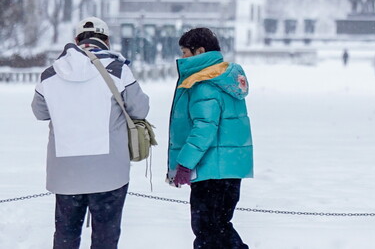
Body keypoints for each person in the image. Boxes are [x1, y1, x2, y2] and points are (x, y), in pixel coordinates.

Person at [32, 17, 150, 249]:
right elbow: (140, 109)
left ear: (76, 41)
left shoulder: (50, 73)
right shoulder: (118, 70)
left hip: (65, 171)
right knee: (105, 238)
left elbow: (39, 112)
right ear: (106, 40)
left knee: (66, 234)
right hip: (109, 171)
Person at [169, 27, 253, 249]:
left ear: (200, 52)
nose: (182, 58)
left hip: (210, 171)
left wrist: (184, 164)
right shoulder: (224, 78)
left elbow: (204, 129)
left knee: (207, 230)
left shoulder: (204, 83)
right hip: (229, 168)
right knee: (220, 227)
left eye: (185, 53)